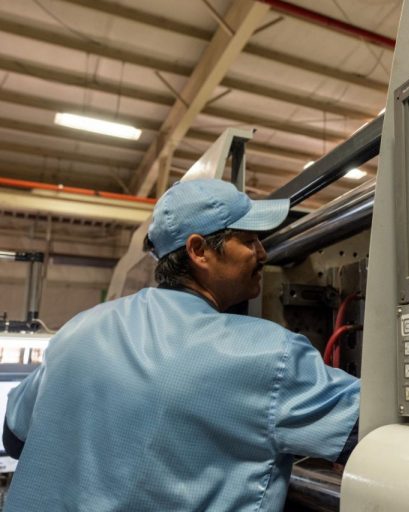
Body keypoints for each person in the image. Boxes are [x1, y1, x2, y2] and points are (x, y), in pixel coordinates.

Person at [2, 179, 360, 511]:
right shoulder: (266, 354)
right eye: (249, 240)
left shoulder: (80, 328)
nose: (263, 253)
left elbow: (14, 435)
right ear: (199, 250)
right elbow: (368, 428)